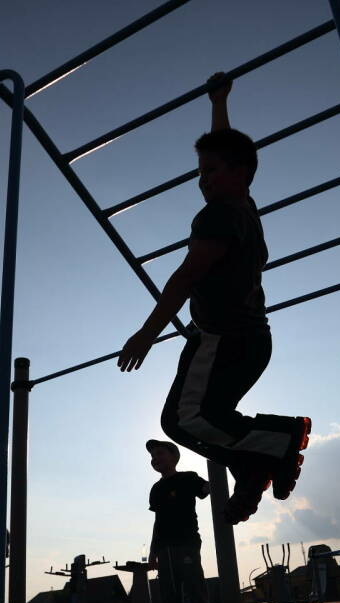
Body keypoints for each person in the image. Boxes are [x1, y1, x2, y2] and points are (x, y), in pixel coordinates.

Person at [116, 71, 310, 525]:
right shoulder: (246, 206)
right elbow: (229, 150)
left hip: (223, 343)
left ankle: (279, 440)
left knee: (184, 420)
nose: (202, 181)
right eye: (199, 173)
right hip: (248, 341)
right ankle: (251, 468)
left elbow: (184, 279)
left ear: (239, 174)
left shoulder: (218, 218)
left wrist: (146, 335)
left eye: (210, 172)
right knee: (203, 420)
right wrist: (218, 103)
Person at [144, 438, 217, 603]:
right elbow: (158, 521)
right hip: (164, 550)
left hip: (187, 545)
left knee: (197, 594)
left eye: (160, 453)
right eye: (152, 456)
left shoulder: (188, 478)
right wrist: (153, 552)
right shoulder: (156, 489)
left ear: (174, 456)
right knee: (170, 599)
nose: (155, 458)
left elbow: (209, 488)